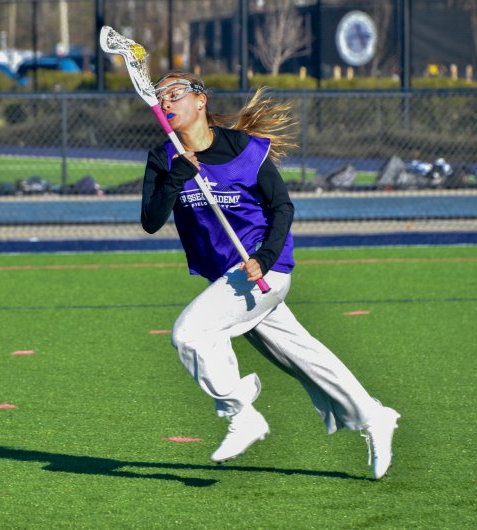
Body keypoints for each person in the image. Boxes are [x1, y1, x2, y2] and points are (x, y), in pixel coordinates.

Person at [140, 72, 400, 480]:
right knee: (303, 356)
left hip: (263, 272)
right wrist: (177, 176)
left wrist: (264, 257)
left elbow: (283, 208)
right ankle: (373, 416)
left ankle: (240, 413)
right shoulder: (164, 157)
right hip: (227, 280)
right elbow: (151, 221)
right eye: (160, 97)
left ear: (201, 100)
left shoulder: (245, 149)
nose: (167, 102)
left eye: (175, 94)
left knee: (189, 334)